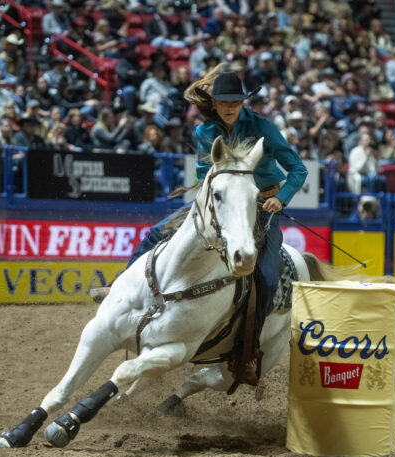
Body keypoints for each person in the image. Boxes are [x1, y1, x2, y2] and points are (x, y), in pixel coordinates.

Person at [92, 67, 307, 330]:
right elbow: (205, 175)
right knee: (155, 234)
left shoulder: (264, 128)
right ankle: (118, 288)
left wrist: (282, 198)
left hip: (261, 204)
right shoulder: (205, 132)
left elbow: (298, 169)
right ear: (214, 104)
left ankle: (252, 341)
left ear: (242, 103)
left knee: (268, 275)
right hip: (216, 203)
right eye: (224, 103)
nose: (230, 108)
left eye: (235, 103)